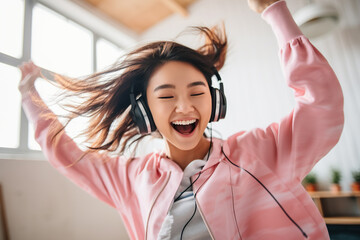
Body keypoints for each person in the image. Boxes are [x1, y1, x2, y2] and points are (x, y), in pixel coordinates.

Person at [18, 0, 344, 239]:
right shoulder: (130, 178)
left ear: (216, 101)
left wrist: (275, 11)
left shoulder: (261, 153)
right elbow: (68, 156)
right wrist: (29, 98)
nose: (185, 107)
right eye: (166, 96)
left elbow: (322, 105)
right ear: (145, 111)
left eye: (196, 92)